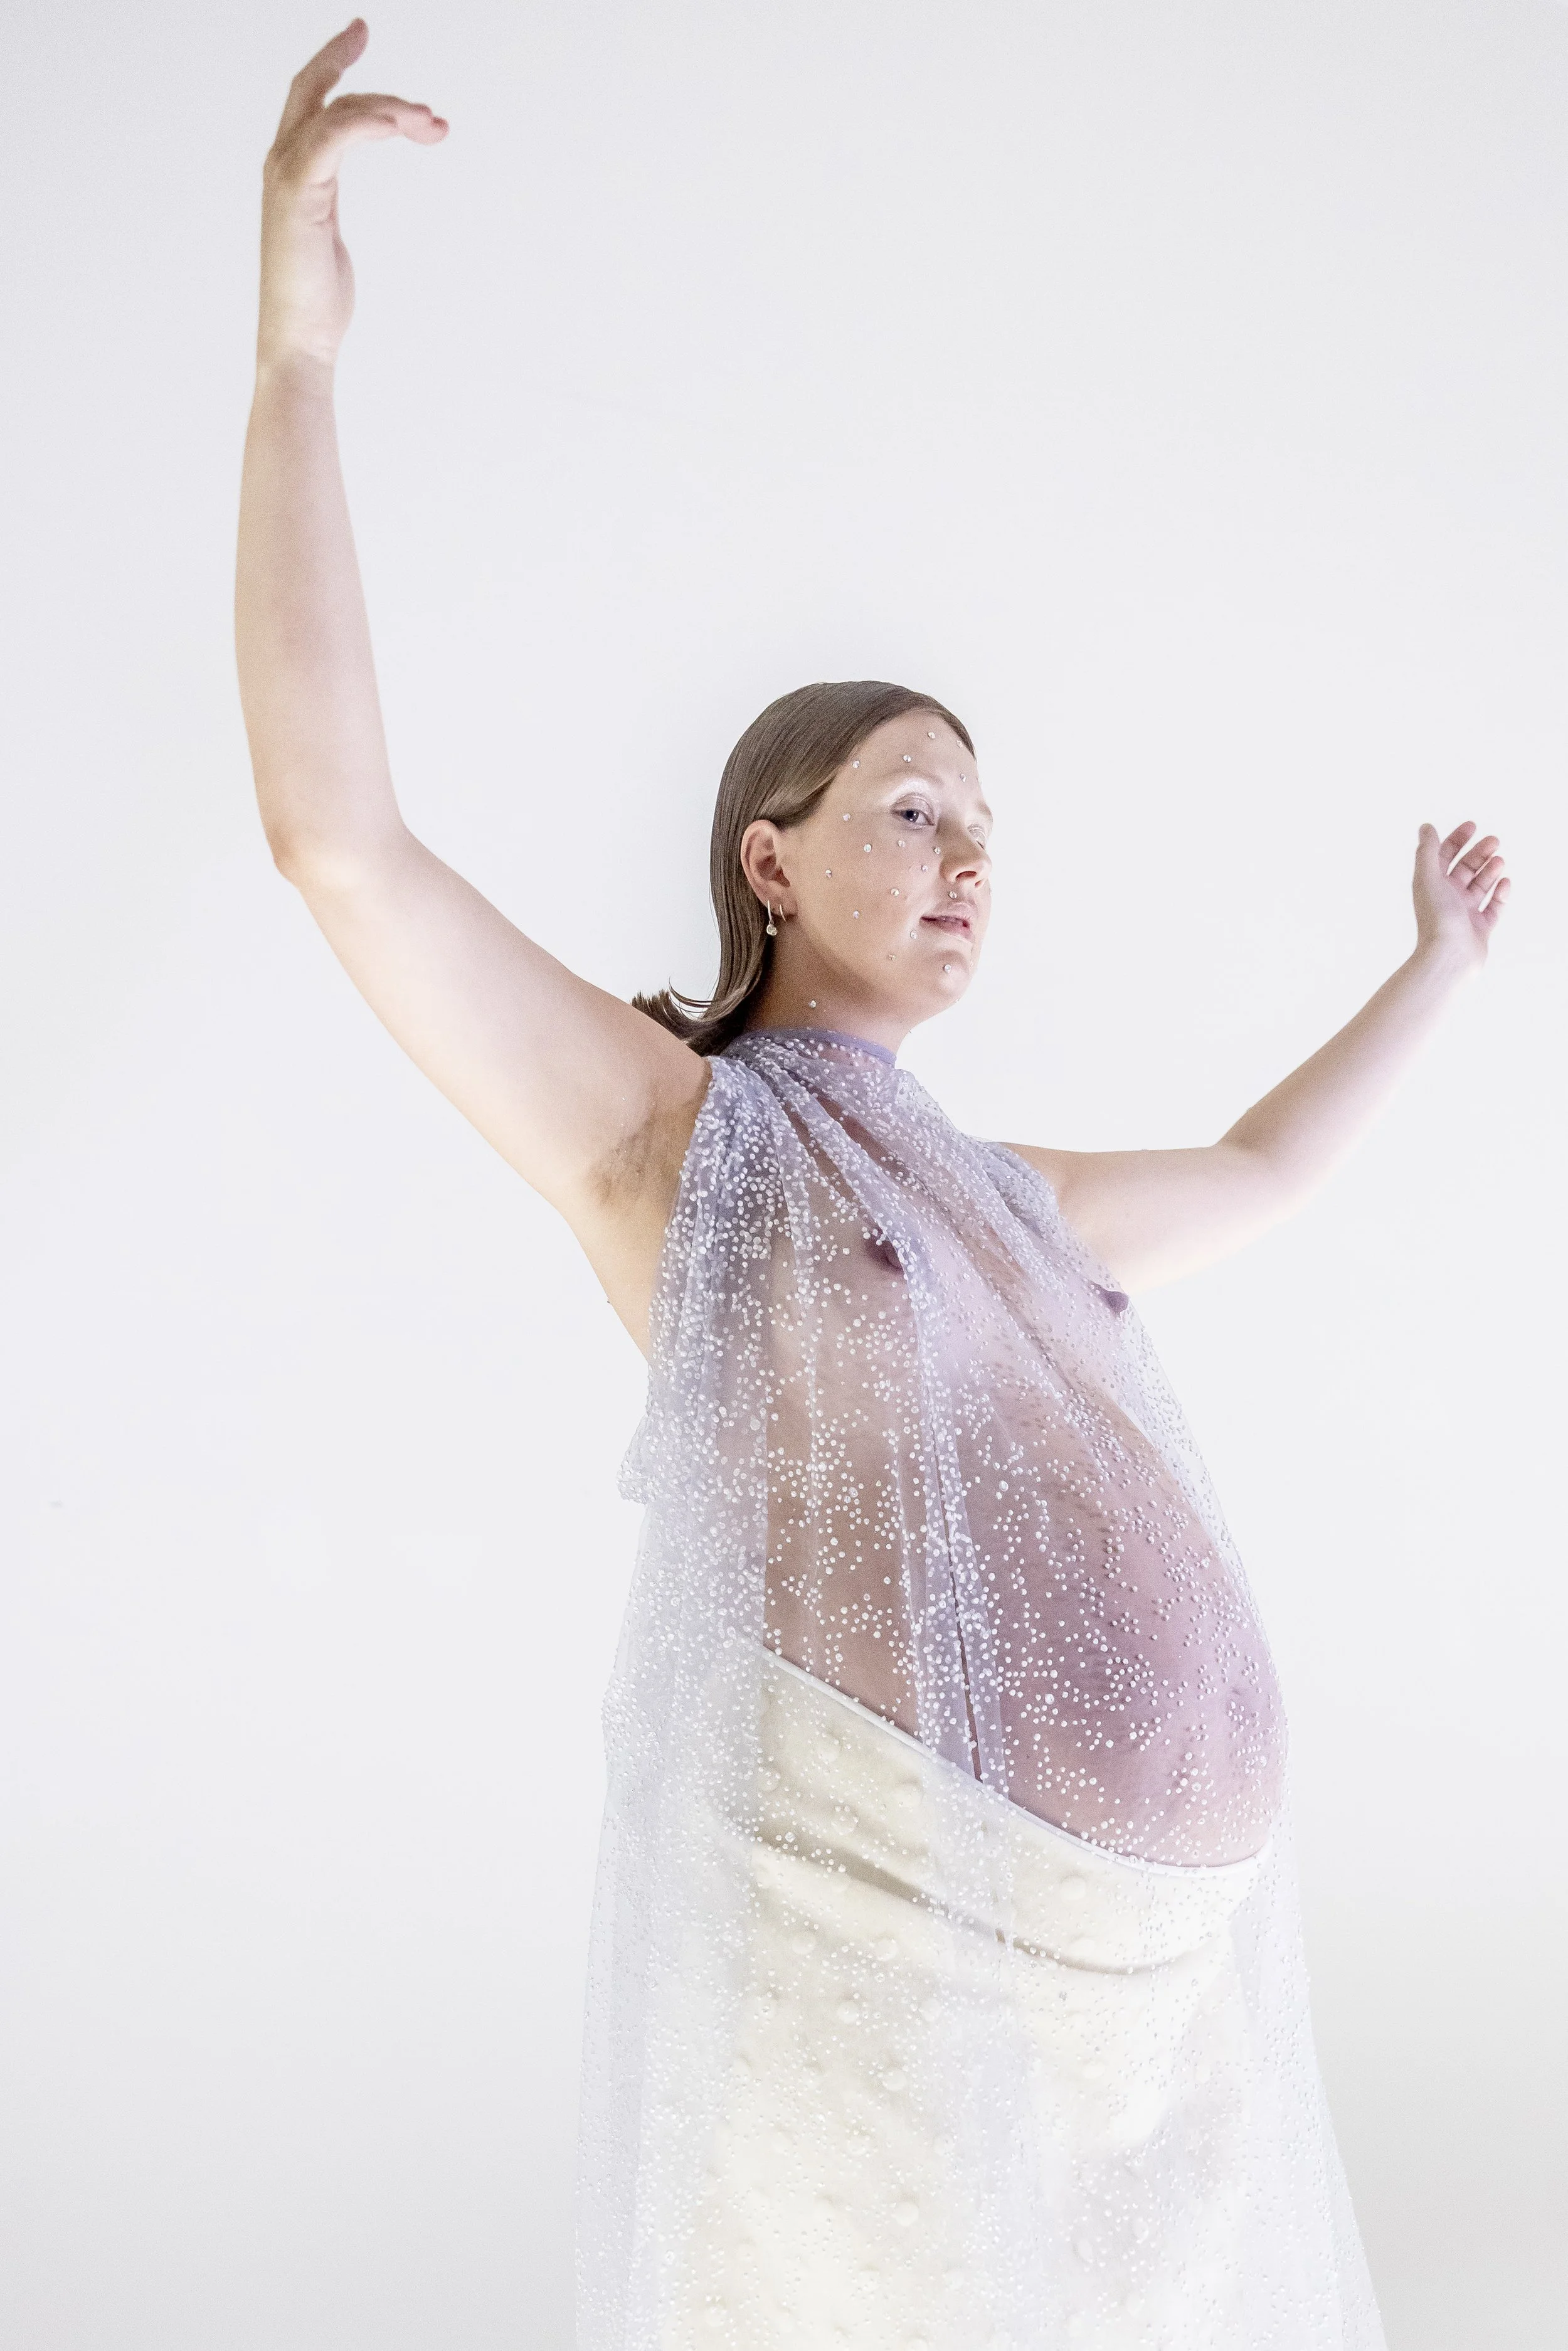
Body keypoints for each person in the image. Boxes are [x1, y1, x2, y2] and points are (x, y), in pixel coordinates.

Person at [236, 26, 1509, 2351]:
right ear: (768, 855)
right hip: (894, 1972)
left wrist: (1430, 974)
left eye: (986, 827)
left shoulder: (1002, 1202)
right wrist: (298, 351)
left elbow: (1254, 1164)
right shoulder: (678, 1141)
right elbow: (343, 841)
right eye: (914, 807)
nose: (965, 857)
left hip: (1160, 2029)